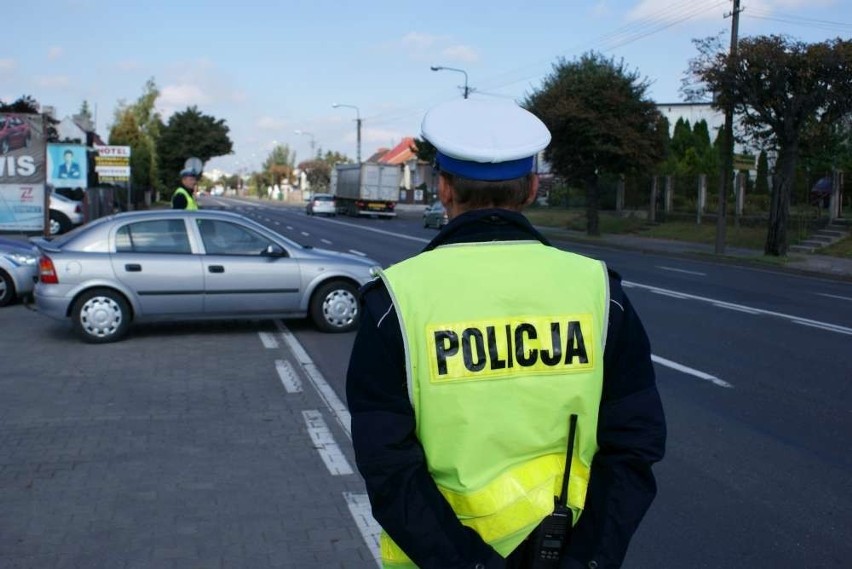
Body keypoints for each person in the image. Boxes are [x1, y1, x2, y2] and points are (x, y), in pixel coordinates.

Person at [346, 98, 666, 569]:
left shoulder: (393, 300)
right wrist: (588, 560)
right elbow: (634, 445)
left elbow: (387, 467)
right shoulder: (601, 290)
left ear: (444, 188)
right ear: (532, 188)